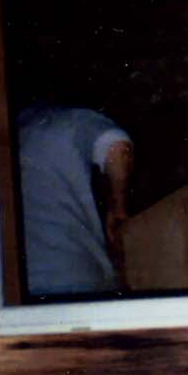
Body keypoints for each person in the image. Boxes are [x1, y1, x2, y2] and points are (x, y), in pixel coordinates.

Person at [17, 105, 133, 298]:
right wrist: (118, 207)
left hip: (18, 292)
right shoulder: (58, 121)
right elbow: (118, 148)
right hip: (74, 275)